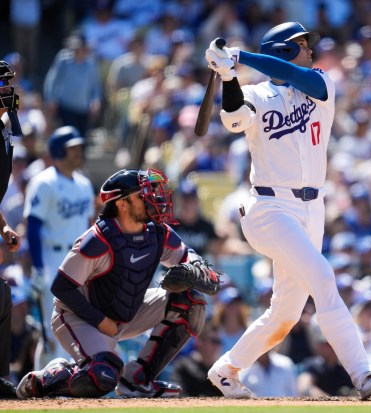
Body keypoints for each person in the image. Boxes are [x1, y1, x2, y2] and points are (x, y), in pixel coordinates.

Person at [203, 22, 371, 400]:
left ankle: (226, 369)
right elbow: (234, 118)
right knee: (322, 277)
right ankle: (361, 373)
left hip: (312, 206)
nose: (309, 52)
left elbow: (300, 77)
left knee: (286, 313)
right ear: (283, 50)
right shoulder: (256, 92)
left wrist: (240, 57)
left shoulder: (320, 84)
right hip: (269, 207)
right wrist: (227, 75)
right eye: (301, 46)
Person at [16, 168, 220, 399]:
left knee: (190, 302)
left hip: (125, 312)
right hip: (79, 316)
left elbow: (188, 256)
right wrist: (101, 322)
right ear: (123, 204)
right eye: (144, 193)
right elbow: (61, 288)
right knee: (101, 377)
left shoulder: (158, 232)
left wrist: (199, 270)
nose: (155, 197)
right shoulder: (98, 239)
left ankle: (138, 380)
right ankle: (48, 379)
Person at [23, 126, 95, 369]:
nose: (78, 153)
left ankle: (73, 383)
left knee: (78, 328)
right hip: (53, 259)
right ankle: (39, 383)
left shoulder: (84, 183)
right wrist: (38, 268)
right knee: (52, 330)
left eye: (78, 148)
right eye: (72, 148)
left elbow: (88, 227)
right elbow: (32, 226)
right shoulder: (43, 182)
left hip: (80, 262)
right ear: (58, 150)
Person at [0, 59, 23, 399]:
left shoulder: (3, 127)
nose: (6, 90)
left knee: (2, 297)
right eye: (1, 84)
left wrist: (3, 227)